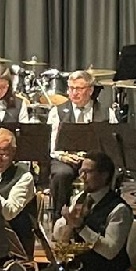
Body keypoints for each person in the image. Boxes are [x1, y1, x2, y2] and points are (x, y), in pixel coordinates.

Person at [46, 71, 117, 221]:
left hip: (94, 160)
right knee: (61, 174)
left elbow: (113, 142)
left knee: (103, 173)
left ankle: (99, 217)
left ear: (90, 90)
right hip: (66, 159)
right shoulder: (57, 112)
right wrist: (62, 155)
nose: (74, 93)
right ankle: (60, 219)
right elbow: (51, 145)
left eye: (79, 88)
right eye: (71, 88)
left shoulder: (105, 112)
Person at [0, 127, 39, 259]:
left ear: (14, 152)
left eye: (4, 154)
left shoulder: (25, 177)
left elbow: (9, 212)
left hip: (15, 251)